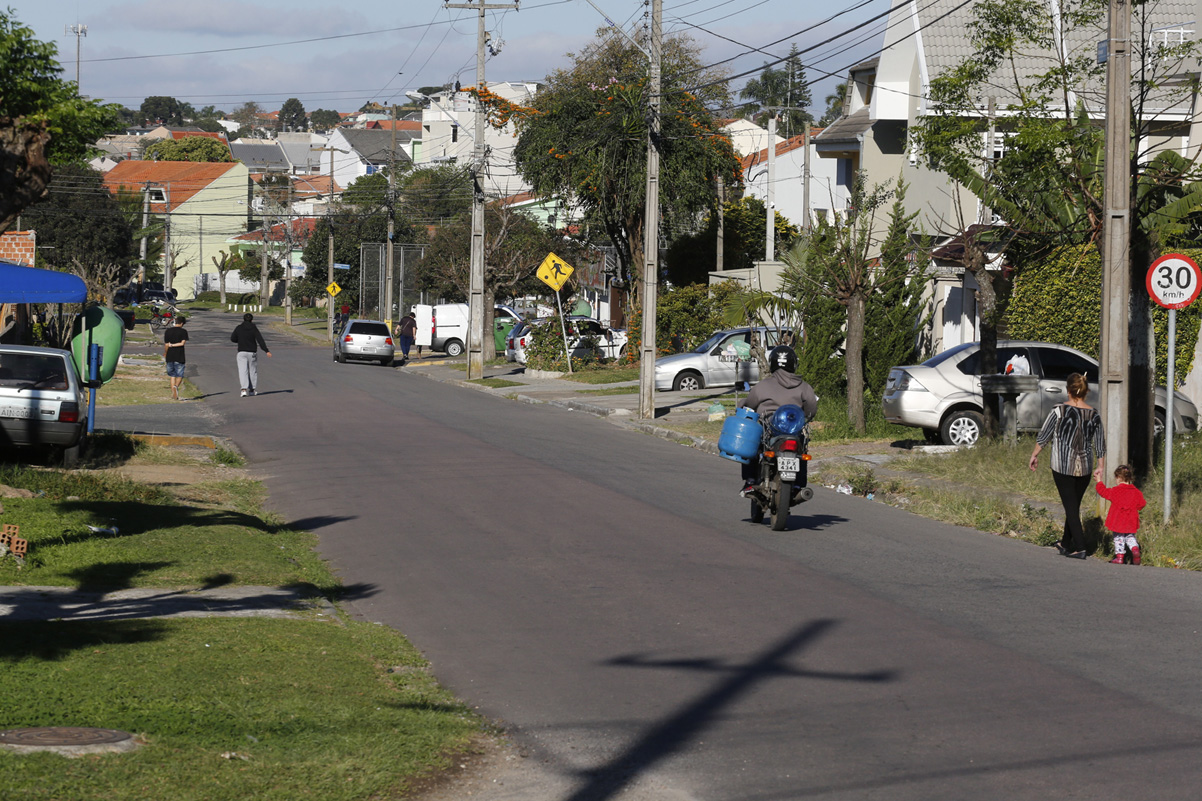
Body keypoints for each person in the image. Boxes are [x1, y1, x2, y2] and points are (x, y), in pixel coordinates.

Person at [1028, 372, 1105, 559]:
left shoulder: (1058, 410)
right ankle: (1065, 543)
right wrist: (1100, 465)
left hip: (1062, 465)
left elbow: (1045, 435)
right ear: (1085, 391)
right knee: (1073, 505)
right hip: (1085, 467)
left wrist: (1034, 454)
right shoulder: (1094, 414)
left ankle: (1080, 546)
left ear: (1068, 390)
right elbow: (1100, 443)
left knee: (1071, 507)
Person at [736, 345, 819, 496]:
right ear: (793, 364)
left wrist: (743, 405)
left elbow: (750, 405)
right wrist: (805, 417)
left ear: (772, 363)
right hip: (794, 431)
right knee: (802, 450)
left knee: (752, 445)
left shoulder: (763, 386)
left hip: (768, 429)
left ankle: (750, 481)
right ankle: (799, 485)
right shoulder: (804, 387)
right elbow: (811, 409)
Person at [1096, 464, 1146, 565]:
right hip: (1131, 519)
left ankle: (1119, 557)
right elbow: (1142, 504)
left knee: (1118, 537)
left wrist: (1099, 481)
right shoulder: (1136, 492)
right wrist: (1135, 507)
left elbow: (1103, 492)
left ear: (1119, 478)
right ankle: (1135, 548)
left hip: (1118, 519)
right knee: (1130, 536)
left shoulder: (1115, 491)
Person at [230, 313, 271, 397]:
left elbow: (232, 338)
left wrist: (240, 340)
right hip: (252, 352)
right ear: (252, 320)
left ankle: (243, 390)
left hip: (241, 352)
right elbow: (260, 340)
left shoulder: (239, 328)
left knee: (243, 371)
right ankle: (252, 390)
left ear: (243, 319)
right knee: (253, 371)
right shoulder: (254, 328)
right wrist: (266, 350)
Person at [163, 314, 188, 401]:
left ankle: (173, 391)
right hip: (180, 355)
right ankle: (176, 387)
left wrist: (165, 353)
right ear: (181, 323)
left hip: (170, 355)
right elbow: (182, 343)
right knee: (180, 374)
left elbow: (166, 344)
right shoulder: (183, 331)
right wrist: (174, 345)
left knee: (172, 375)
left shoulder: (168, 331)